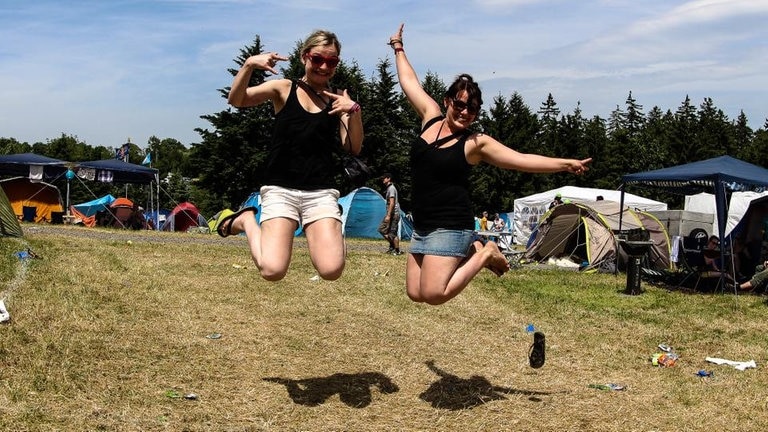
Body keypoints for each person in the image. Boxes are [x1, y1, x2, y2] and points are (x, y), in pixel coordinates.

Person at [389, 23, 592, 305]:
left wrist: (564, 164)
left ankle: (485, 252)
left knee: (434, 294)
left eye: (472, 108)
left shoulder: (475, 143)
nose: (464, 112)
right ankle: (476, 249)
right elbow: (409, 82)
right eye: (459, 104)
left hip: (450, 225)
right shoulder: (430, 117)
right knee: (415, 292)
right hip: (422, 225)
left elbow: (521, 160)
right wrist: (398, 47)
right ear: (447, 101)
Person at [215, 29, 364, 281]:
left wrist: (354, 112)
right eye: (318, 59)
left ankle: (332, 225)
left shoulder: (338, 99)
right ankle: (247, 220)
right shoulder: (284, 88)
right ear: (305, 57)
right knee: (272, 270)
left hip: (320, 191)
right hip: (280, 188)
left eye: (332, 61)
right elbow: (237, 100)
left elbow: (353, 147)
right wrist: (250, 65)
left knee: (331, 270)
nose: (324, 66)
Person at [378, 172, 402, 255]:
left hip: (394, 214)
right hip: (391, 214)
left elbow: (392, 203)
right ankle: (392, 246)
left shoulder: (391, 188)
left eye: (384, 178)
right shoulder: (389, 188)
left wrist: (388, 215)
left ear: (389, 179)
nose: (382, 180)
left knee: (393, 233)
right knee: (382, 229)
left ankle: (397, 251)